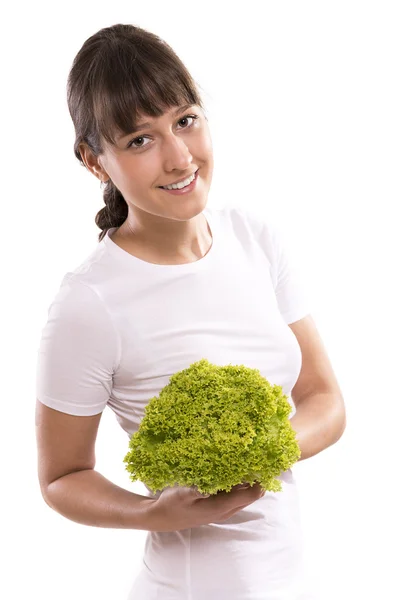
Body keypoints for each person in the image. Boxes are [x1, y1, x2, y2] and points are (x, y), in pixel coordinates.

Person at [35, 23, 345, 599]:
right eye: (139, 141)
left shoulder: (255, 239)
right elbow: (61, 478)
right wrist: (156, 513)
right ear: (93, 161)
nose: (180, 159)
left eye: (185, 120)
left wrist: (257, 451)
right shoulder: (89, 303)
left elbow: (324, 399)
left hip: (291, 578)